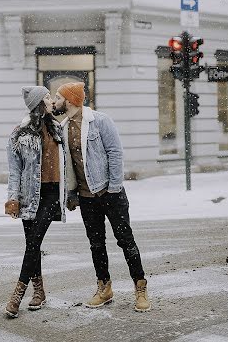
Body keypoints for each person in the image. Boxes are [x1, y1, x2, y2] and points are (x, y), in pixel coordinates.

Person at [53, 82, 151, 312]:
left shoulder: (100, 121)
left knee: (125, 240)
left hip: (110, 192)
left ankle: (140, 287)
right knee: (96, 244)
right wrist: (71, 194)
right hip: (87, 197)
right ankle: (104, 287)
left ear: (69, 100)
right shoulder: (63, 127)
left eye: (58, 97)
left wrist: (114, 187)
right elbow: (69, 166)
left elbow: (115, 152)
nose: (55, 102)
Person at [4, 85, 67, 318]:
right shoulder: (19, 134)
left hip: (51, 195)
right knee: (33, 244)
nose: (52, 101)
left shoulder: (58, 130)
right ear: (39, 104)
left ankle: (17, 295)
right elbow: (14, 171)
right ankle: (39, 291)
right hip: (29, 196)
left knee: (34, 241)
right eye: (48, 98)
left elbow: (68, 164)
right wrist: (13, 199)